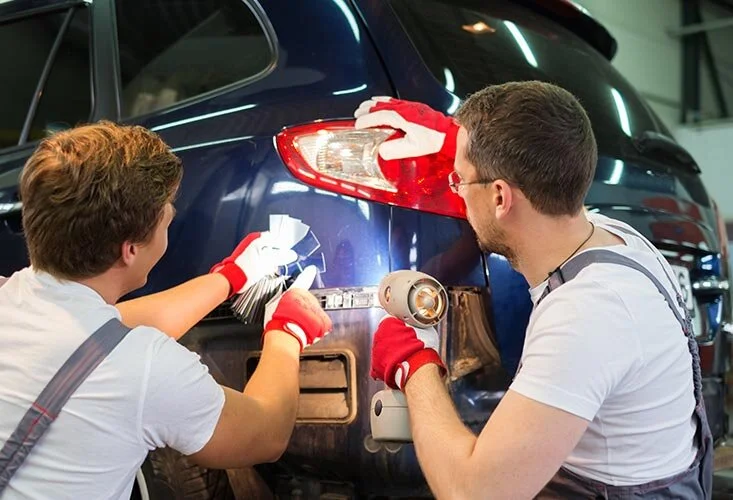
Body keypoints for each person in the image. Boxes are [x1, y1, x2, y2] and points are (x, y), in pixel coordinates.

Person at [355, 82, 713, 499]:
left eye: (459, 181)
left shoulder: (587, 312)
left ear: (501, 197)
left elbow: (472, 493)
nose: (455, 190)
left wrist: (415, 366)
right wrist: (464, 151)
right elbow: (532, 167)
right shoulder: (614, 237)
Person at [0, 122, 332, 498]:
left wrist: (230, 277)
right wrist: (287, 333)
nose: (170, 218)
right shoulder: (146, 369)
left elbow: (100, 338)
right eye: (166, 217)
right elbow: (265, 434)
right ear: (130, 250)